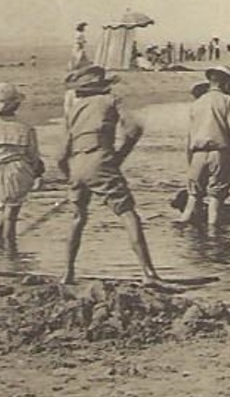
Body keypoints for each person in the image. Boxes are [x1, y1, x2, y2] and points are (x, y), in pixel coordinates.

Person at [58, 64, 163, 285]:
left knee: (78, 217)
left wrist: (70, 175)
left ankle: (67, 273)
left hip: (76, 162)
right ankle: (148, 273)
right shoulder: (111, 100)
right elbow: (134, 129)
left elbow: (61, 154)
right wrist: (120, 156)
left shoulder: (74, 110)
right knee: (127, 213)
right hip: (100, 158)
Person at [178, 66, 230, 229]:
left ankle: (182, 233)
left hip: (197, 155)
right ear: (225, 83)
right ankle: (213, 238)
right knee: (215, 202)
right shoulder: (228, 101)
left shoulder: (197, 104)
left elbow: (189, 138)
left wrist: (190, 163)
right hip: (220, 154)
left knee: (192, 198)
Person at [0, 83, 43, 250]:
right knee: (12, 213)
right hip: (18, 170)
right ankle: (10, 247)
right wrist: (35, 173)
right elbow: (33, 155)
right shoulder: (25, 127)